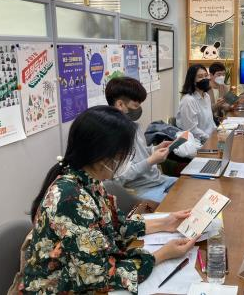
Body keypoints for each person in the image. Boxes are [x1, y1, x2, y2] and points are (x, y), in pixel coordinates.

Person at [18, 106, 197, 293]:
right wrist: (162, 255)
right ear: (102, 154)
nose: (124, 161)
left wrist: (165, 222)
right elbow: (97, 277)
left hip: (82, 275)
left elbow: (114, 225)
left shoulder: (89, 180)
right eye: (123, 155)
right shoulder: (70, 199)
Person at [105, 77, 177, 203]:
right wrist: (151, 161)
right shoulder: (111, 134)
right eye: (136, 105)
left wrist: (155, 149)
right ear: (120, 104)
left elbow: (139, 154)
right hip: (140, 190)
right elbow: (121, 177)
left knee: (191, 188)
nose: (138, 109)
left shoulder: (134, 126)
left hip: (158, 180)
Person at [176, 64, 216, 142]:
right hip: (197, 143)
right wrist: (210, 139)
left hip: (209, 139)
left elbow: (210, 123)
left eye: (206, 75)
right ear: (193, 81)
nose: (204, 79)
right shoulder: (188, 101)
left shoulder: (206, 96)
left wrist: (217, 132)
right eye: (200, 77)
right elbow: (191, 130)